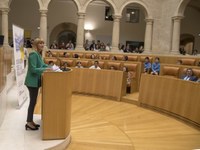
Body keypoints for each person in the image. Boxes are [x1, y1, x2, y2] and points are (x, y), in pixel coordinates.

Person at [24, 38, 51, 130]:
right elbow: (33, 69)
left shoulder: (38, 54)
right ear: (35, 45)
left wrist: (51, 67)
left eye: (43, 43)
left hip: (36, 82)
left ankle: (30, 121)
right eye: (40, 43)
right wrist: (46, 69)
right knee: (32, 102)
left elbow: (42, 65)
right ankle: (28, 122)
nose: (42, 45)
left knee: (34, 102)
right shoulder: (33, 54)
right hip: (32, 82)